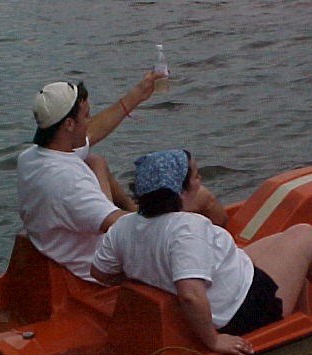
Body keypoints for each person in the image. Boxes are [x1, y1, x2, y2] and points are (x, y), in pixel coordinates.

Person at [91, 150, 312, 355]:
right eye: (195, 176)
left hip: (230, 284)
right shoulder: (187, 228)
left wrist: (146, 270)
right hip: (245, 309)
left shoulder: (124, 227)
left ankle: (300, 320)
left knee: (284, 239)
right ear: (179, 192)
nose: (200, 180)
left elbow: (100, 273)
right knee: (305, 235)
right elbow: (190, 294)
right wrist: (214, 340)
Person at [17, 72, 227, 283]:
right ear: (69, 124)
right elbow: (121, 229)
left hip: (61, 245)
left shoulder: (31, 156)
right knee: (202, 197)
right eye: (86, 116)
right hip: (101, 266)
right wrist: (171, 209)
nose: (90, 121)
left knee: (96, 161)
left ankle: (132, 207)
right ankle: (225, 255)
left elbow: (93, 132)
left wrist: (138, 94)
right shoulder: (68, 183)